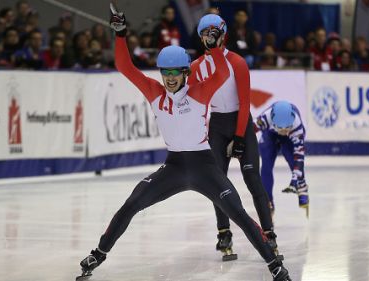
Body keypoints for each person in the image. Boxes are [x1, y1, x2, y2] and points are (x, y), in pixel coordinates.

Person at [76, 7, 291, 281]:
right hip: (174, 168)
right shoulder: (154, 92)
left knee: (238, 213)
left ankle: (274, 265)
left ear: (186, 73)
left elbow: (223, 74)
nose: (170, 78)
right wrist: (120, 35)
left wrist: (214, 49)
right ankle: (98, 253)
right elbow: (125, 68)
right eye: (166, 73)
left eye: (176, 73)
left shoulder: (200, 92)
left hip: (205, 168)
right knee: (130, 204)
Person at [187, 14, 278, 261]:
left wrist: (239, 138)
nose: (209, 37)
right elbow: (196, 105)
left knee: (252, 180)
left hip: (241, 123)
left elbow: (245, 101)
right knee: (218, 182)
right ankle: (224, 232)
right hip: (217, 125)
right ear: (200, 37)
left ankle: (268, 234)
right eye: (205, 33)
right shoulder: (195, 67)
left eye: (213, 33)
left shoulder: (236, 62)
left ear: (223, 35)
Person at [255, 101, 309, 214]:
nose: (284, 132)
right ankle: (268, 201)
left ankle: (302, 186)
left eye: (287, 129)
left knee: (292, 159)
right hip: (270, 133)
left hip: (289, 136)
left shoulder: (297, 127)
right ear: (273, 121)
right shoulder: (264, 119)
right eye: (281, 129)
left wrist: (296, 179)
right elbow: (248, 131)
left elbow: (299, 157)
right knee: (266, 164)